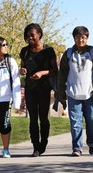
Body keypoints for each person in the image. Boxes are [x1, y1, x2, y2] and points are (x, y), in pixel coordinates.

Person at [58, 26, 93, 157]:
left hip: (90, 94)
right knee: (75, 123)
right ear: (74, 38)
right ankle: (77, 148)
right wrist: (61, 94)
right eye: (78, 37)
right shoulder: (68, 54)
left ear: (87, 38)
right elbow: (61, 75)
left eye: (83, 37)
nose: (80, 40)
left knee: (92, 122)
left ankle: (92, 143)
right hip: (73, 94)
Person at [19, 23, 58, 157]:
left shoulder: (48, 50)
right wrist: (22, 70)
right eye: (27, 35)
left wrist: (42, 73)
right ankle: (35, 146)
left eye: (32, 35)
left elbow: (54, 70)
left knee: (43, 117)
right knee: (33, 119)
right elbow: (23, 67)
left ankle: (44, 141)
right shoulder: (24, 51)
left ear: (39, 35)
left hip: (44, 88)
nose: (29, 38)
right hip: (30, 88)